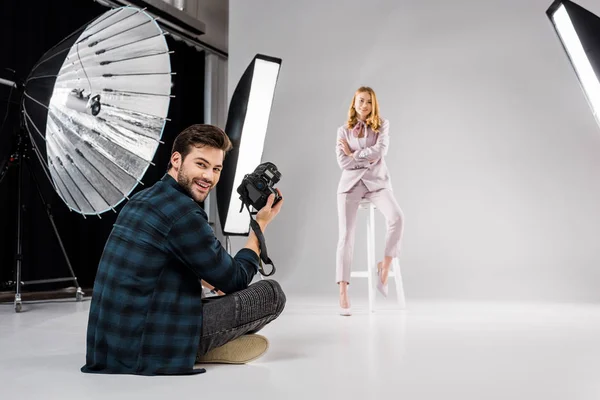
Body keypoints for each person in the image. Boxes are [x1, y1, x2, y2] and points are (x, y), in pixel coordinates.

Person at [81, 124, 286, 376]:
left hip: (109, 345)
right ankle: (198, 349)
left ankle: (206, 345)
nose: (209, 177)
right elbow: (237, 279)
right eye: (201, 164)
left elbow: (161, 262)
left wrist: (211, 282)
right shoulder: (183, 212)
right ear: (176, 160)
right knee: (271, 295)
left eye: (216, 168)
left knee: (211, 286)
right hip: (151, 345)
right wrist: (261, 224)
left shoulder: (143, 198)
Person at [335, 86, 404, 316]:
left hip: (377, 184)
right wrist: (366, 157)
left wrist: (354, 155)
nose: (364, 105)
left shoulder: (382, 125)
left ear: (373, 105)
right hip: (350, 186)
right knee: (346, 236)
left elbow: (381, 150)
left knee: (397, 218)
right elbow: (343, 164)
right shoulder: (343, 131)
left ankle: (385, 264)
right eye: (360, 101)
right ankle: (343, 290)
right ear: (354, 103)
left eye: (368, 102)